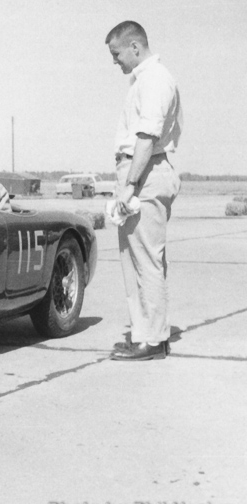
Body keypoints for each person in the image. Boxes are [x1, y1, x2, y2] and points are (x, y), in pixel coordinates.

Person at [105, 21, 183, 361]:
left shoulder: (155, 80)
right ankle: (144, 334)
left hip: (146, 173)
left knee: (147, 259)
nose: (115, 61)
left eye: (117, 53)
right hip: (139, 172)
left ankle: (152, 341)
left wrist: (131, 185)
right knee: (134, 258)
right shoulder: (145, 80)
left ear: (135, 47)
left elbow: (147, 137)